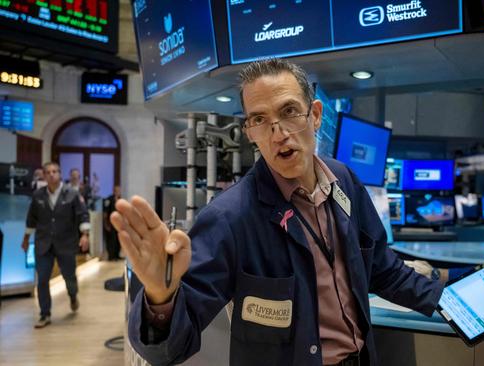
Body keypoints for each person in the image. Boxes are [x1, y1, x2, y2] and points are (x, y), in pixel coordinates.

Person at [110, 59, 444, 366]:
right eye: (260, 120)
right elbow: (169, 348)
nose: (278, 134)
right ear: (249, 132)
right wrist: (160, 297)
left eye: (289, 112)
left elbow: (384, 271)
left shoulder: (344, 181)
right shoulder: (230, 217)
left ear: (315, 115)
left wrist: (455, 301)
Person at [22, 162, 90, 328]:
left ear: (60, 174)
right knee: (43, 279)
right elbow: (31, 219)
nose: (51, 174)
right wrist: (25, 239)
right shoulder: (38, 195)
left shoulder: (72, 194)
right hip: (43, 243)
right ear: (44, 176)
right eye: (48, 172)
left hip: (66, 242)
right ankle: (45, 314)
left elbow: (83, 215)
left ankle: (73, 295)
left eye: (54, 172)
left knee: (69, 276)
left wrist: (85, 235)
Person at [103, 185, 121, 261]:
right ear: (113, 191)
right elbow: (105, 214)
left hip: (119, 224)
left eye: (119, 190)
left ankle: (117, 255)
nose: (118, 192)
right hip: (110, 224)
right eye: (116, 190)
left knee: (118, 240)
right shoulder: (109, 200)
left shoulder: (121, 199)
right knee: (111, 241)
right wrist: (106, 224)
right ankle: (111, 256)